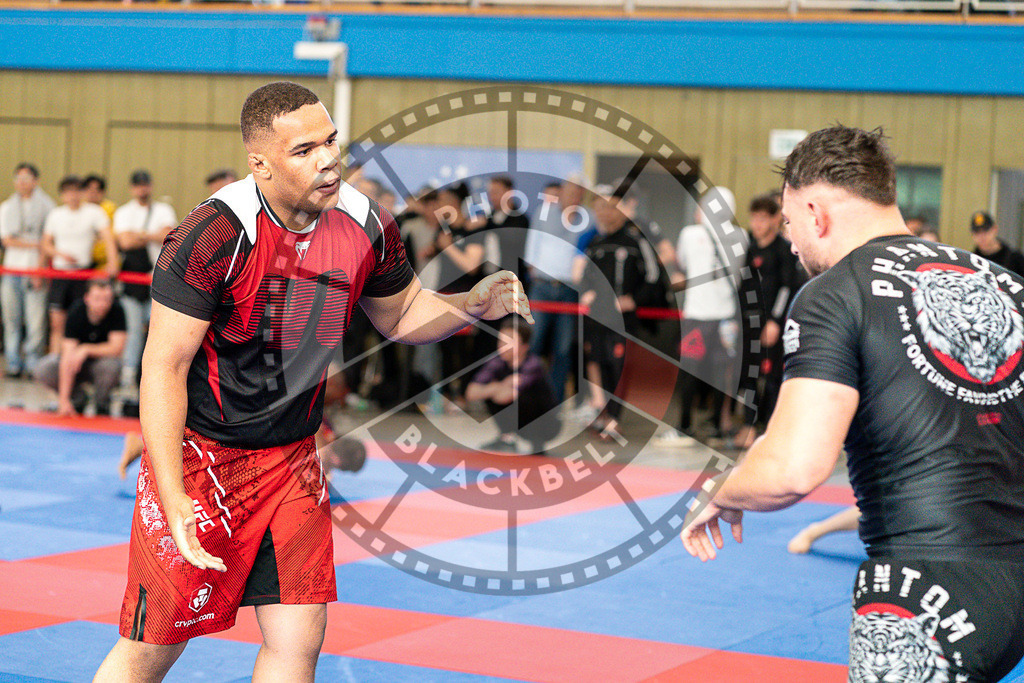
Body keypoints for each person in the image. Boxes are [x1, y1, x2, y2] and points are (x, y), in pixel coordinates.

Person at [95, 81, 532, 682]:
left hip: (294, 460)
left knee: (299, 640)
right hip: (205, 460)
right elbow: (162, 367)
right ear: (261, 164)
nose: (328, 159)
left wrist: (472, 305)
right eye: (304, 151)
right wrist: (173, 497)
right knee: (153, 647)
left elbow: (401, 314)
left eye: (331, 141)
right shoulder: (212, 236)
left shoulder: (365, 222)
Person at [682, 125, 1024, 681]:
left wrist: (722, 489)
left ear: (816, 213)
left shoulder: (836, 293)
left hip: (930, 585)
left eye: (791, 225)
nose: (791, 245)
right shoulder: (1007, 286)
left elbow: (794, 471)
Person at [658, 187, 744, 445]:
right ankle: (718, 427)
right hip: (727, 317)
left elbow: (682, 265)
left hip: (696, 315)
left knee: (689, 372)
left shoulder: (690, 233)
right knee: (722, 372)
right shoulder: (741, 236)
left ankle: (685, 427)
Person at [578, 187, 659, 438]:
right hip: (596, 316)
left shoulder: (635, 241)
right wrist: (586, 292)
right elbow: (585, 276)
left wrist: (634, 299)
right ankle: (601, 414)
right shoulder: (595, 242)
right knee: (596, 364)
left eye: (610, 206)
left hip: (622, 320)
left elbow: (653, 276)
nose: (605, 212)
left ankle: (614, 418)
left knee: (618, 367)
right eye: (600, 207)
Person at [734, 194, 804, 449]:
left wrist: (774, 320)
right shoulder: (750, 249)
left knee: (772, 377)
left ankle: (771, 429)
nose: (758, 224)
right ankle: (748, 425)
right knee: (748, 376)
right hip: (748, 323)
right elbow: (744, 286)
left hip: (771, 325)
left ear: (776, 219)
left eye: (764, 218)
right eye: (754, 218)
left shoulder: (783, 251)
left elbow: (787, 288)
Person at [525, 178, 590, 405]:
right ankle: (527, 394)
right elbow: (532, 247)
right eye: (570, 192)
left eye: (579, 193)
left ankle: (554, 399)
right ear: (562, 192)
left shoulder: (588, 219)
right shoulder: (544, 212)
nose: (574, 197)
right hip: (542, 287)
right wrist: (533, 271)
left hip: (570, 290)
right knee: (534, 343)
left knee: (562, 349)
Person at [112, 170, 177, 388]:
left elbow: (169, 236)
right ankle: (129, 372)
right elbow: (125, 243)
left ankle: (153, 375)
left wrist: (139, 234)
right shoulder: (123, 212)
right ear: (132, 188)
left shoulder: (163, 209)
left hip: (159, 279)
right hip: (132, 281)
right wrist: (151, 234)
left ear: (150, 186)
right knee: (132, 331)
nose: (142, 188)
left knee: (158, 332)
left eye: (145, 184)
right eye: (138, 185)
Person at [41, 175, 117, 353]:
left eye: (76, 191)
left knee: (80, 320)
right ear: (62, 195)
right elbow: (45, 244)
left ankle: (75, 363)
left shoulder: (94, 212)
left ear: (82, 192)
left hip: (83, 273)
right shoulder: (56, 214)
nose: (72, 196)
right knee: (57, 323)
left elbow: (108, 238)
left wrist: (113, 262)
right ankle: (56, 361)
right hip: (60, 274)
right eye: (68, 192)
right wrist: (59, 254)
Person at [466, 318, 560, 454]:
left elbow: (508, 396)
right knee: (488, 391)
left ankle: (536, 441)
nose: (503, 345)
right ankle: (507, 437)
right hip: (518, 422)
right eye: (501, 340)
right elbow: (471, 392)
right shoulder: (497, 363)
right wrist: (500, 385)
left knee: (524, 395)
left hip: (547, 425)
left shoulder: (533, 365)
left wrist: (494, 389)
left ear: (524, 346)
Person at [34, 278, 125, 416]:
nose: (102, 304)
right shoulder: (76, 311)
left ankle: (102, 403)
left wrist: (86, 349)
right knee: (45, 368)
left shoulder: (117, 310)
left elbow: (117, 348)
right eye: (97, 298)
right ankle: (76, 398)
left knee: (112, 366)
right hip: (76, 365)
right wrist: (63, 400)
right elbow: (67, 355)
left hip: (100, 365)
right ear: (87, 298)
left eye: (107, 299)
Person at [0, 162, 54, 377]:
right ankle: (13, 362)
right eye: (18, 179)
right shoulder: (6, 207)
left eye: (26, 178)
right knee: (11, 318)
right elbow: (7, 241)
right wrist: (35, 242)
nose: (22, 183)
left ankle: (33, 364)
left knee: (35, 321)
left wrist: (40, 268)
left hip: (35, 270)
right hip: (11, 269)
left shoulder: (47, 205)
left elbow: (48, 241)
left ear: (36, 181)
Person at [969, 210, 1024, 278]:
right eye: (977, 232)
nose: (982, 236)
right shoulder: (970, 262)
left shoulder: (1015, 260)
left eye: (986, 230)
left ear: (995, 229)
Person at [83, 174, 118, 272]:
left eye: (97, 190)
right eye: (89, 189)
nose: (92, 193)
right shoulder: (79, 208)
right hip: (81, 260)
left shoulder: (110, 209)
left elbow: (112, 237)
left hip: (103, 262)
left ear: (103, 192)